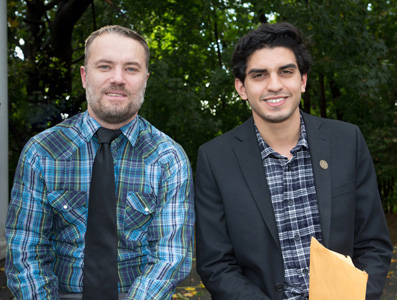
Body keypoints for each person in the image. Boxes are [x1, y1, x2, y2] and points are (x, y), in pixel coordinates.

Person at [195, 22, 392, 300]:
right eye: (259, 75)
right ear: (242, 87)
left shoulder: (346, 141)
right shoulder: (215, 159)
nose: (274, 85)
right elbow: (216, 265)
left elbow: (374, 244)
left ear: (302, 80)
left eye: (286, 72)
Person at [6, 25, 195, 299]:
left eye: (131, 69)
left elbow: (170, 257)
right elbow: (26, 251)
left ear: (145, 79)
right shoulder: (42, 152)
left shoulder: (168, 158)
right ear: (85, 76)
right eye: (105, 66)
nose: (118, 78)